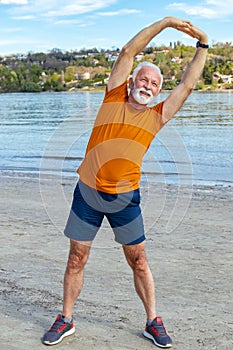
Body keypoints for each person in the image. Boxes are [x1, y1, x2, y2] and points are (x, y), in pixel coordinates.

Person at [42, 16, 208, 348]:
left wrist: (202, 43)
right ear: (131, 81)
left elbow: (187, 84)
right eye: (143, 79)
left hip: (125, 199)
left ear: (158, 91)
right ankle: (66, 318)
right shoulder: (113, 95)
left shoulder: (157, 116)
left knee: (139, 260)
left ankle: (152, 321)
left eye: (154, 84)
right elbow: (129, 51)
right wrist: (165, 24)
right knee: (77, 257)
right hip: (87, 193)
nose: (147, 85)